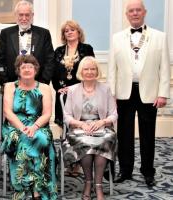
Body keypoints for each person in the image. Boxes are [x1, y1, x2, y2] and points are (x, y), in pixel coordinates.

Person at [108, 0, 170, 187]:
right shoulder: (116, 37)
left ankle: (147, 171)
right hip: (123, 93)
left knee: (148, 134)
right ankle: (125, 170)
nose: (134, 13)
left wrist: (163, 94)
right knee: (124, 134)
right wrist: (112, 94)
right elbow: (112, 68)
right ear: (126, 15)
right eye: (131, 11)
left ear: (144, 12)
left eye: (138, 10)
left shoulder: (160, 36)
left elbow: (165, 68)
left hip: (149, 92)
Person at [1, 55, 57, 200]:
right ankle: (24, 189)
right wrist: (22, 128)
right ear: (18, 70)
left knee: (42, 138)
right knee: (22, 140)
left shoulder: (44, 87)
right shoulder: (9, 86)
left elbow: (47, 114)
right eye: (23, 67)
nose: (27, 69)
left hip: (38, 124)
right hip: (15, 125)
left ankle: (38, 188)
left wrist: (34, 127)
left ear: (36, 69)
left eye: (30, 67)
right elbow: (8, 112)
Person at [62, 56, 117, 200]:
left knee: (105, 140)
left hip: (101, 127)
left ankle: (98, 185)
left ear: (97, 71)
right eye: (86, 69)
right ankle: (88, 182)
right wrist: (80, 124)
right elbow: (66, 115)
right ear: (81, 71)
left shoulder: (105, 89)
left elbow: (114, 114)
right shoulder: (73, 90)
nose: (90, 72)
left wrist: (102, 122)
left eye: (93, 69)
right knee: (84, 142)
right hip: (80, 128)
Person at [0, 0, 54, 84]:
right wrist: (7, 82)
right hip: (12, 84)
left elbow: (50, 60)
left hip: (38, 85)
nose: (24, 18)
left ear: (32, 15)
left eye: (27, 15)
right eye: (21, 15)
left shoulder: (44, 33)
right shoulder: (6, 33)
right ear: (16, 15)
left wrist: (43, 82)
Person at [52, 20, 95, 127]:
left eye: (72, 30)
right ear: (64, 35)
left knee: (81, 122)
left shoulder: (87, 49)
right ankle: (66, 141)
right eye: (66, 31)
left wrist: (77, 88)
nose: (69, 32)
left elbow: (92, 70)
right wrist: (58, 88)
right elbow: (54, 72)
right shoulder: (58, 51)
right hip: (63, 92)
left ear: (78, 33)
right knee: (66, 123)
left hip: (82, 92)